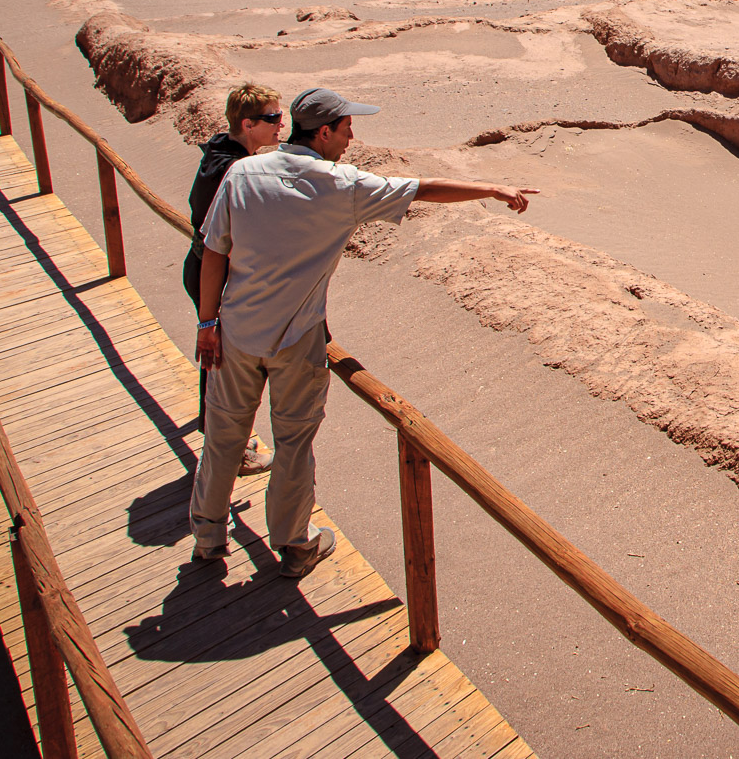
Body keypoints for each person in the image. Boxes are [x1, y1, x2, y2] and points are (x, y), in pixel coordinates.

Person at [189, 87, 537, 578]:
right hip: (296, 339)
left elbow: (214, 251)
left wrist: (207, 323)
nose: (353, 137)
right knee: (292, 443)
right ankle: (293, 545)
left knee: (224, 437)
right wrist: (492, 188)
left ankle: (207, 537)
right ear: (324, 131)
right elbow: (422, 189)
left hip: (235, 331)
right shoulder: (342, 186)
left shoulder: (244, 172)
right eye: (347, 127)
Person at [183, 83, 283, 477]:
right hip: (217, 278)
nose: (280, 125)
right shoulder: (232, 168)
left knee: (216, 360)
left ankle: (218, 431)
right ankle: (232, 451)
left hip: (203, 268)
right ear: (247, 123)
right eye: (273, 118)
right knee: (222, 363)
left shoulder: (219, 151)